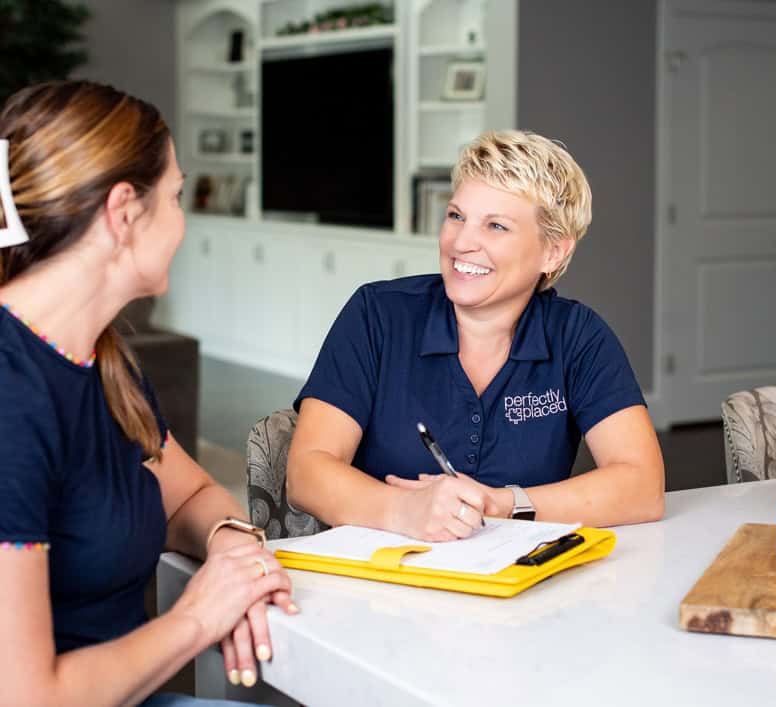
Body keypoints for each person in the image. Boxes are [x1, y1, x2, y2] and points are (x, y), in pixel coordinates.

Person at [0, 81, 295, 707]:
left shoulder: (100, 359)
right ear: (124, 212)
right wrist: (200, 616)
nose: (183, 222)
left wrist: (231, 547)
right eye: (177, 197)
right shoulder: (11, 398)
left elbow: (185, 492)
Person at [287, 130, 665, 542]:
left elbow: (642, 487)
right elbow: (306, 473)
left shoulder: (578, 337)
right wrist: (404, 510)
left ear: (553, 252)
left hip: (519, 583)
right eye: (456, 216)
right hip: (384, 575)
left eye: (496, 226)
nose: (462, 242)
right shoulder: (377, 315)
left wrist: (501, 503)